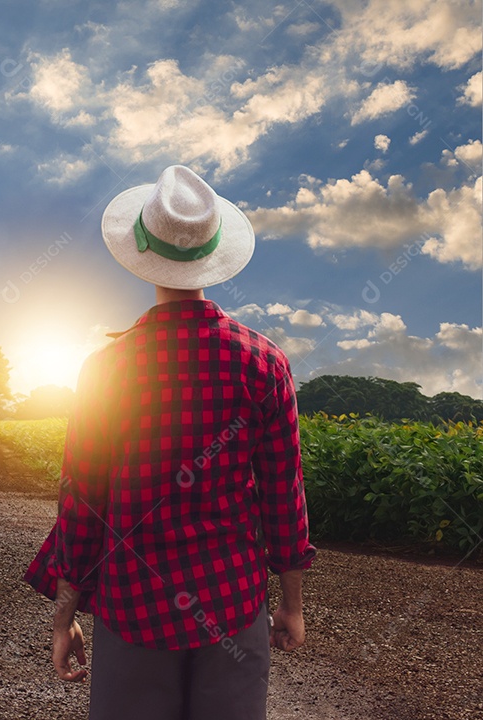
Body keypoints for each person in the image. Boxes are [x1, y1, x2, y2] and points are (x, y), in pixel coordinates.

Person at [24, 165, 316, 720]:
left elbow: (82, 497)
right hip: (231, 599)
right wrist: (291, 604)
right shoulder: (265, 362)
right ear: (213, 251)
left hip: (133, 603)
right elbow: (283, 491)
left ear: (140, 251)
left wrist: (65, 613)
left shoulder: (108, 368)